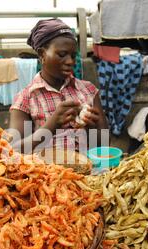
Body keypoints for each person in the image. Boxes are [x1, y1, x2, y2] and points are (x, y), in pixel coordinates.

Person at [8, 18, 108, 154]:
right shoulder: (26, 98)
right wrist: (52, 124)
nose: (70, 62)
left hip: (86, 172)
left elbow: (104, 146)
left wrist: (92, 126)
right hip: (48, 174)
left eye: (73, 56)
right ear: (42, 54)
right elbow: (12, 150)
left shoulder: (88, 91)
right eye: (62, 54)